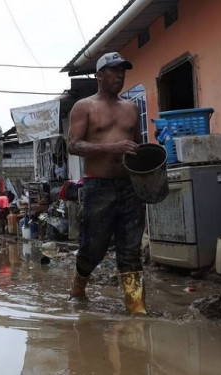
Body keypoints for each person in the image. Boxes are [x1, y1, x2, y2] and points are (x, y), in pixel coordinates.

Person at [66, 52, 147, 314]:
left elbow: (138, 147)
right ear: (99, 75)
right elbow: (73, 145)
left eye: (123, 70)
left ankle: (136, 306)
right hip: (97, 187)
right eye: (114, 70)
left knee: (130, 248)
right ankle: (78, 287)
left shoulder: (132, 108)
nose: (120, 75)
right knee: (93, 246)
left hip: (129, 186)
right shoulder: (84, 106)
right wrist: (112, 147)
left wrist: (150, 173)